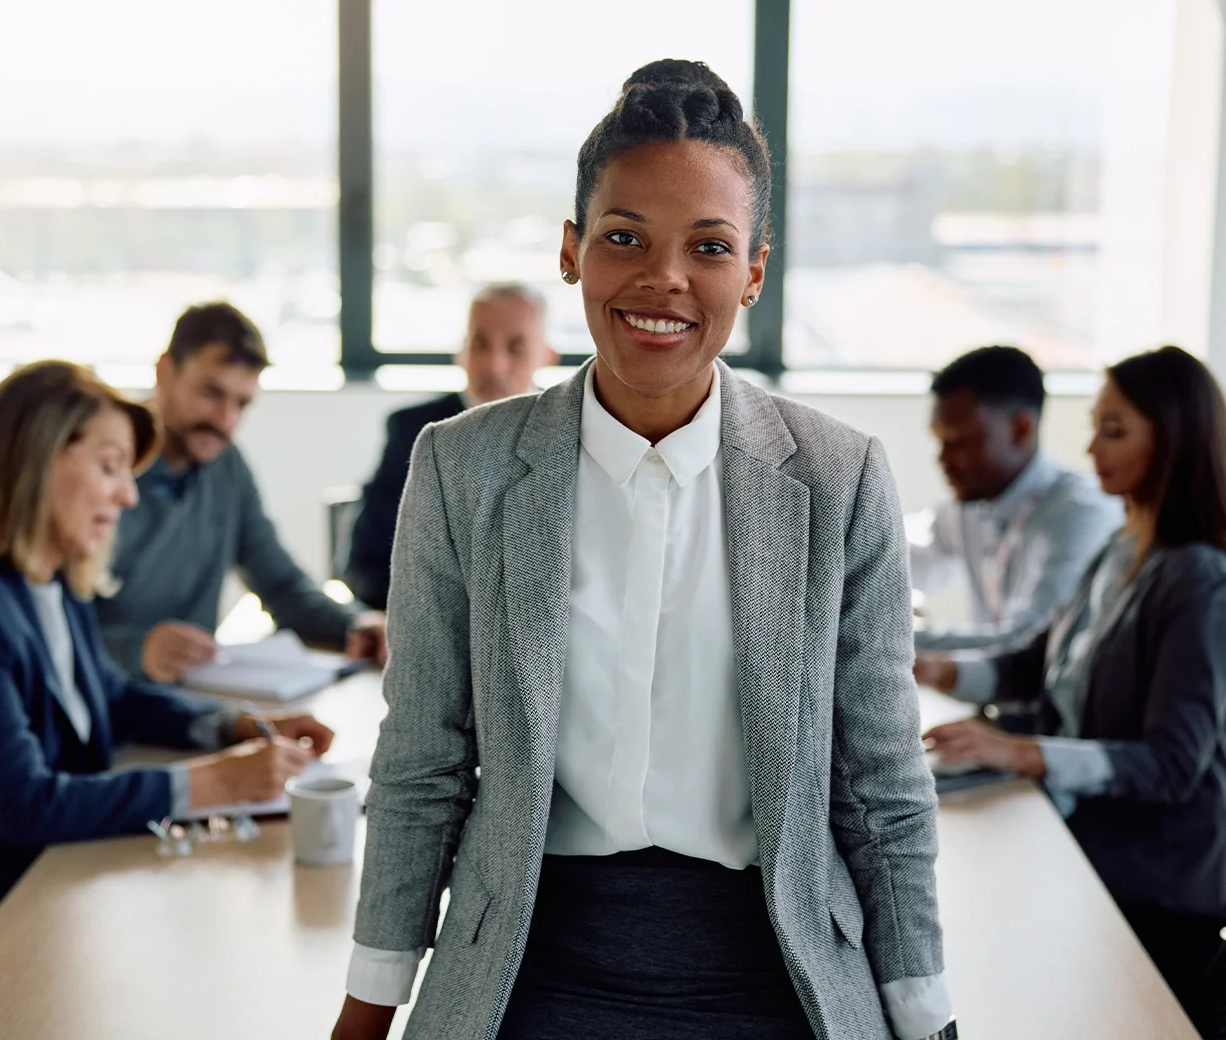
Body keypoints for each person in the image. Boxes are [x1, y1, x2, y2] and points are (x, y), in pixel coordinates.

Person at [332, 60, 954, 1040]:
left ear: (753, 269)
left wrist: (925, 1014)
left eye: (708, 246)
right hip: (529, 953)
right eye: (624, 238)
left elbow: (879, 780)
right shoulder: (463, 468)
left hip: (773, 955)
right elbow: (423, 754)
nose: (663, 278)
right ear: (574, 250)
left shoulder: (840, 480)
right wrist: (368, 1007)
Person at [0, 361, 335, 987]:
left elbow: (109, 698)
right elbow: (23, 803)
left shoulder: (48, 585)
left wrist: (230, 727)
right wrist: (212, 785)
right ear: (36, 460)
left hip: (58, 891)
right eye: (111, 466)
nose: (128, 494)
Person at [922, 346, 1226, 1035]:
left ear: (1174, 438)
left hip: (1156, 890)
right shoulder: (1124, 547)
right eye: (1094, 425)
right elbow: (1038, 664)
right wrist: (938, 670)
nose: (1089, 446)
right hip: (1092, 851)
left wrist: (1024, 752)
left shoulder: (1198, 578)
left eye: (1113, 430)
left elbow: (1173, 764)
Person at [93, 302, 385, 683]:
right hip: (102, 708)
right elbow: (42, 629)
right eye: (211, 393)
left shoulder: (226, 467)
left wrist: (356, 622)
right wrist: (135, 651)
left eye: (242, 403)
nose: (226, 421)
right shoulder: (101, 468)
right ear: (165, 371)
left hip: (188, 705)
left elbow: (282, 585)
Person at [345, 283, 557, 609]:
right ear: (461, 350)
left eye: (515, 348)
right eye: (480, 344)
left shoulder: (566, 431)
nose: (494, 365)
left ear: (548, 357)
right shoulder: (411, 431)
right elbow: (367, 565)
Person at [910, 346, 1122, 665]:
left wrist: (894, 639)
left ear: (1020, 429)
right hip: (993, 706)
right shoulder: (971, 505)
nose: (942, 460)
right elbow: (902, 563)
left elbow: (1026, 642)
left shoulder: (1078, 515)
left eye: (959, 443)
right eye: (940, 442)